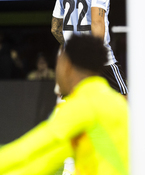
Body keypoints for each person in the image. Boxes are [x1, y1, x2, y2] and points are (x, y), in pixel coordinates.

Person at [0, 34, 129, 175]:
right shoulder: (112, 99)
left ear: (67, 66)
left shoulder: (83, 104)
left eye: (57, 64)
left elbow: (34, 147)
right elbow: (48, 160)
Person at [51, 0, 128, 96]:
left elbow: (55, 28)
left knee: (78, 108)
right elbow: (97, 22)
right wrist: (94, 58)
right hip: (99, 59)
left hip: (72, 61)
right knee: (123, 102)